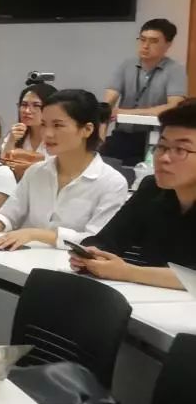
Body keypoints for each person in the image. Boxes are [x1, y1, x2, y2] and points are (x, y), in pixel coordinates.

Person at [0, 89, 129, 250]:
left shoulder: (112, 183)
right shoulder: (36, 172)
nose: (48, 134)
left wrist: (37, 234)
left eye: (58, 125)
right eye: (43, 124)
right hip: (19, 260)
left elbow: (95, 241)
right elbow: (9, 214)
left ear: (87, 129)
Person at [72, 99, 196, 289]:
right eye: (161, 146)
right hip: (150, 299)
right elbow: (108, 239)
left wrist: (127, 272)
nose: (164, 158)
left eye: (180, 150)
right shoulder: (152, 189)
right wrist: (92, 255)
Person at [102, 18, 188, 165]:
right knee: (103, 161)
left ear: (168, 44)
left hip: (156, 138)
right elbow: (108, 103)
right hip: (122, 134)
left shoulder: (175, 70)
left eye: (153, 41)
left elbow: (174, 106)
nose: (145, 46)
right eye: (142, 40)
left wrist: (126, 113)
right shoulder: (127, 65)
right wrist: (101, 131)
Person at [0, 82, 57, 179]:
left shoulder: (59, 137)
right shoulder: (15, 134)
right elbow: (3, 167)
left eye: (36, 105)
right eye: (24, 104)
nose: (27, 111)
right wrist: (11, 141)